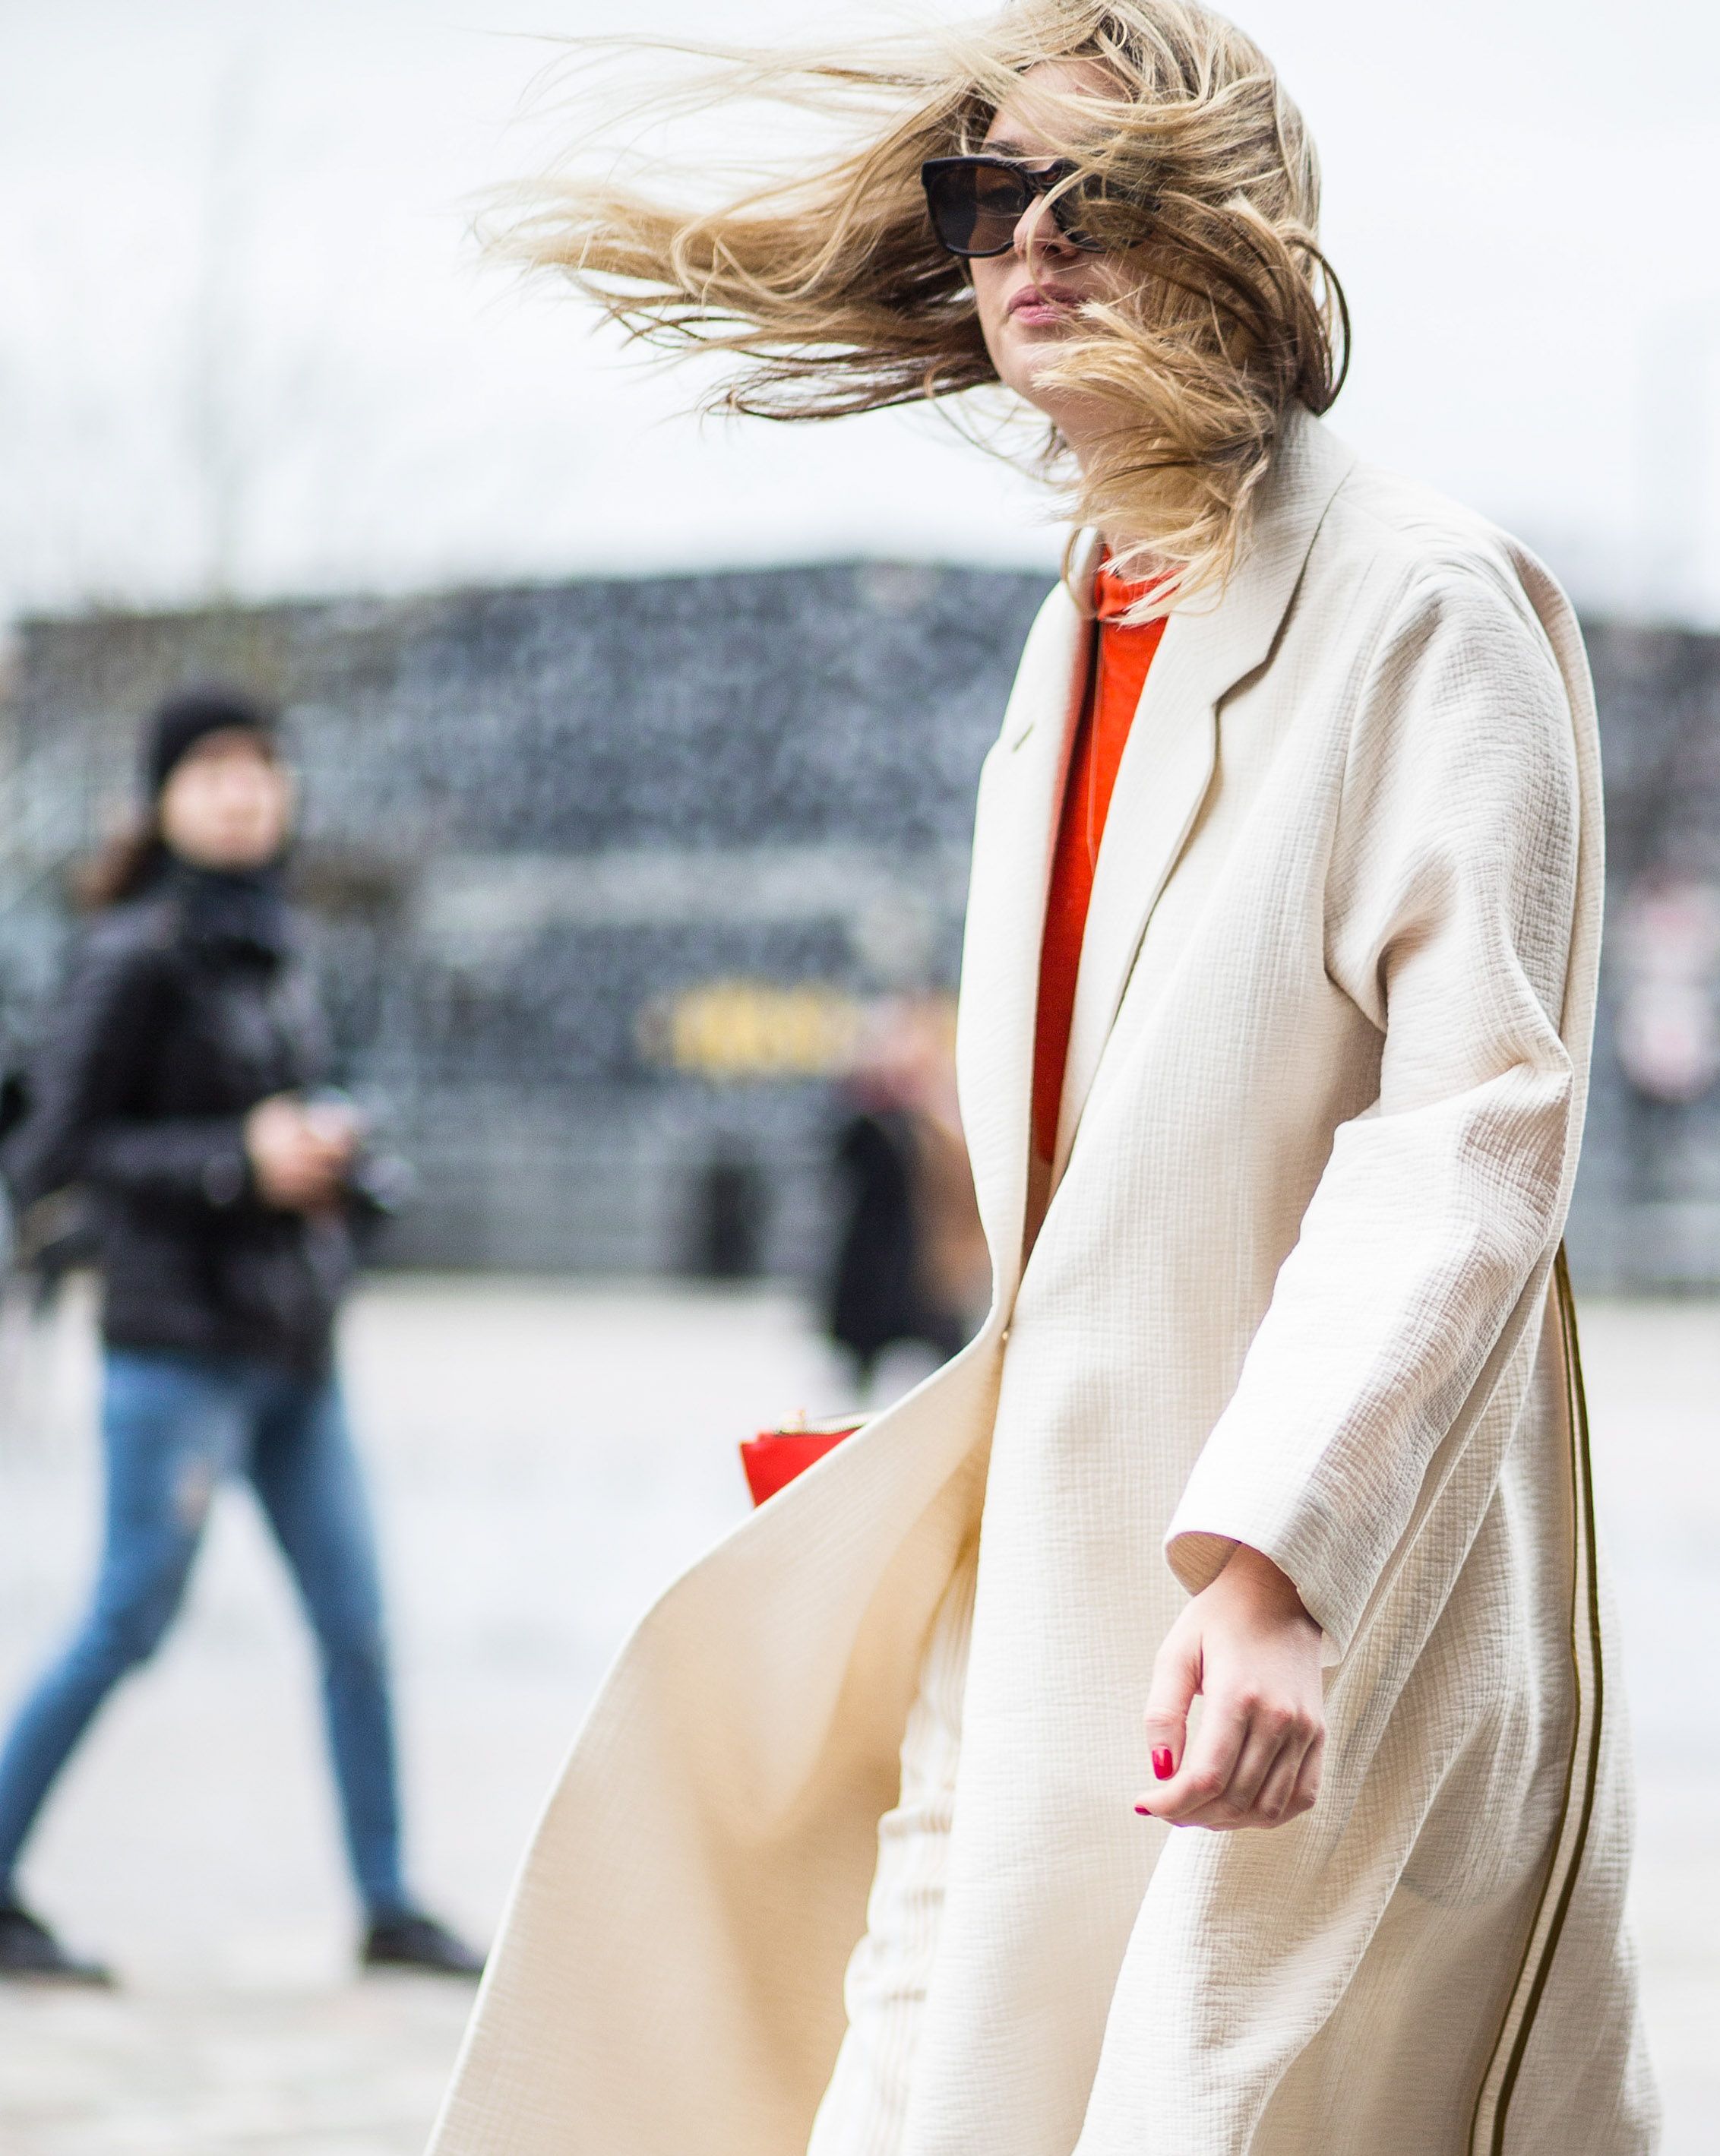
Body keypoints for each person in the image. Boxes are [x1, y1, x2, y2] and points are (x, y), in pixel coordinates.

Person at [433, 4, 1655, 2150]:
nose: (1030, 245)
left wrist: (1274, 1567)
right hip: (1040, 1590)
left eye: (1100, 195)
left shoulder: (1420, 607)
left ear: (1238, 228)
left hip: (1286, 1627)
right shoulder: (1083, 609)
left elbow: (1467, 1134)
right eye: (991, 195)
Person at [0, 690, 481, 1984]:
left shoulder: (272, 944)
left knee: (357, 1623)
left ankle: (386, 1903)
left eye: (259, 767)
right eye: (209, 769)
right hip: (174, 1350)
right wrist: (235, 1162)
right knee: (127, 1616)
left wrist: (335, 1163)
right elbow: (49, 1154)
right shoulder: (134, 952)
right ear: (162, 796)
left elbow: (278, 1128)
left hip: (292, 1349)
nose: (239, 791)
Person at [825, 997, 990, 1399]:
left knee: (943, 1341)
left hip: (928, 1255)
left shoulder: (936, 1114)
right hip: (879, 1256)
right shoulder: (874, 1120)